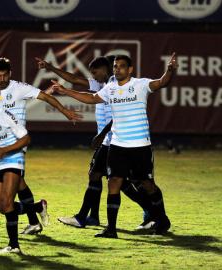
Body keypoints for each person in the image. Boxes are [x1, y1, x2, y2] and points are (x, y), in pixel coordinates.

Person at [51, 53, 178, 237]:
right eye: (115, 66)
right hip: (118, 145)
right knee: (114, 183)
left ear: (130, 69)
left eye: (121, 66)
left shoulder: (140, 85)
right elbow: (92, 98)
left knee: (147, 184)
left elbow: (161, 82)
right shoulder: (110, 88)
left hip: (140, 145)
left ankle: (162, 219)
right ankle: (111, 229)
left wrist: (169, 71)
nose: (117, 69)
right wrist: (66, 91)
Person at [0, 57, 82, 236]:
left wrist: (65, 111)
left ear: (10, 74)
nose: (2, 79)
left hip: (17, 144)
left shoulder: (19, 88)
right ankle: (35, 215)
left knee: (3, 188)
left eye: (5, 75)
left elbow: (46, 97)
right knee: (16, 185)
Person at [36, 56, 152, 229]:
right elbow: (74, 79)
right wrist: (50, 67)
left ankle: (85, 217)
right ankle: (94, 216)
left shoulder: (115, 86)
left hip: (114, 140)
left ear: (105, 70)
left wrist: (101, 135)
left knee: (103, 177)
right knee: (113, 180)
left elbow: (117, 116)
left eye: (95, 72)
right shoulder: (102, 85)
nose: (94, 76)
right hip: (109, 140)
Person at [0, 80, 48, 253]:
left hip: (14, 159)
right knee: (2, 206)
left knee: (7, 203)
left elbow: (25, 139)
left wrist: (5, 150)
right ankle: (37, 207)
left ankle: (14, 245)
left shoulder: (6, 115)